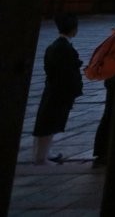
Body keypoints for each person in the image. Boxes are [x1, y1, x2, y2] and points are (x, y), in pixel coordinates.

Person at [32, 13, 83, 165]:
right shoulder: (64, 48)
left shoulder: (54, 46)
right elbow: (68, 73)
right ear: (74, 30)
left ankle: (44, 153)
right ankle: (41, 157)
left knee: (48, 122)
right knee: (49, 123)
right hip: (59, 91)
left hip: (52, 88)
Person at [92, 20, 115, 168]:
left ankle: (104, 152)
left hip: (114, 78)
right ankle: (105, 152)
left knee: (110, 114)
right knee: (112, 115)